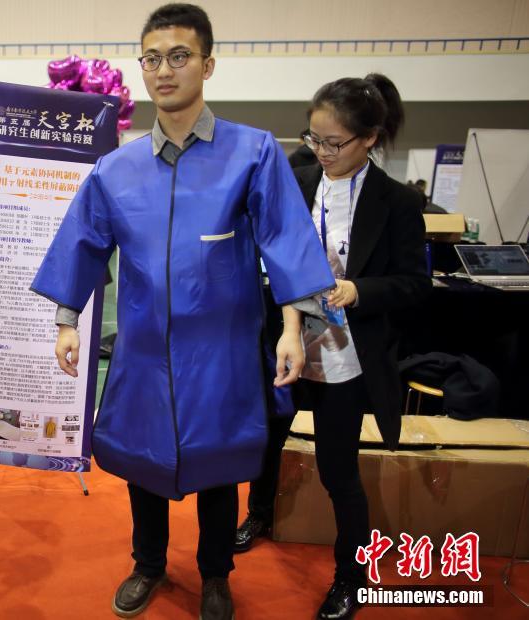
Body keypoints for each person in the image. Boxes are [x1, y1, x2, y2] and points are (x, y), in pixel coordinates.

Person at [30, 5, 334, 619]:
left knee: (218, 464)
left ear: (207, 65)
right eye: (152, 59)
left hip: (221, 350)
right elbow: (83, 242)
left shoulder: (253, 153)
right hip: (143, 348)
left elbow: (286, 240)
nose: (164, 70)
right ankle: (148, 564)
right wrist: (66, 320)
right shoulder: (116, 169)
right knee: (143, 462)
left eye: (179, 56)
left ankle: (215, 574)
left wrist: (292, 329)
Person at [235, 73, 431, 619]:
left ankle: (350, 576)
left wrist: (358, 290)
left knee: (338, 471)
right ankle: (260, 515)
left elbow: (415, 285)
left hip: (344, 356)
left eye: (334, 143)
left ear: (369, 139)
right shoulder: (298, 182)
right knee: (266, 444)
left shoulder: (397, 202)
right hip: (287, 342)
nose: (321, 151)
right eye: (313, 139)